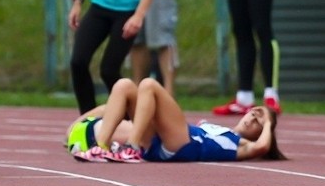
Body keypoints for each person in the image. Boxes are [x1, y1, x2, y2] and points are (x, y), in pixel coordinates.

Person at [72, 78, 285, 163]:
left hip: (184, 145)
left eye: (258, 122)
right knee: (124, 85)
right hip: (158, 143)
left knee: (149, 85)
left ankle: (132, 148)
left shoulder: (243, 145)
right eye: (254, 113)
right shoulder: (220, 129)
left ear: (261, 131)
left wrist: (268, 122)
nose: (252, 119)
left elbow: (262, 147)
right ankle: (101, 148)